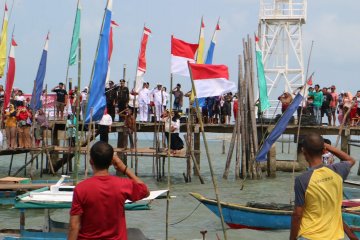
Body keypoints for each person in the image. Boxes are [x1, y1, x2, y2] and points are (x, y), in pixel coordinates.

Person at [68, 141, 149, 240]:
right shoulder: (123, 184)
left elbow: (74, 226)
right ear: (111, 162)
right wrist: (124, 168)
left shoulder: (81, 188)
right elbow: (145, 191)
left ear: (91, 161)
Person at [290, 133, 355, 240]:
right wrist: (327, 146)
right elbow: (350, 160)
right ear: (324, 151)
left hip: (310, 236)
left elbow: (297, 214)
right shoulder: (337, 171)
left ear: (303, 151)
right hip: (335, 236)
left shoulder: (302, 180)